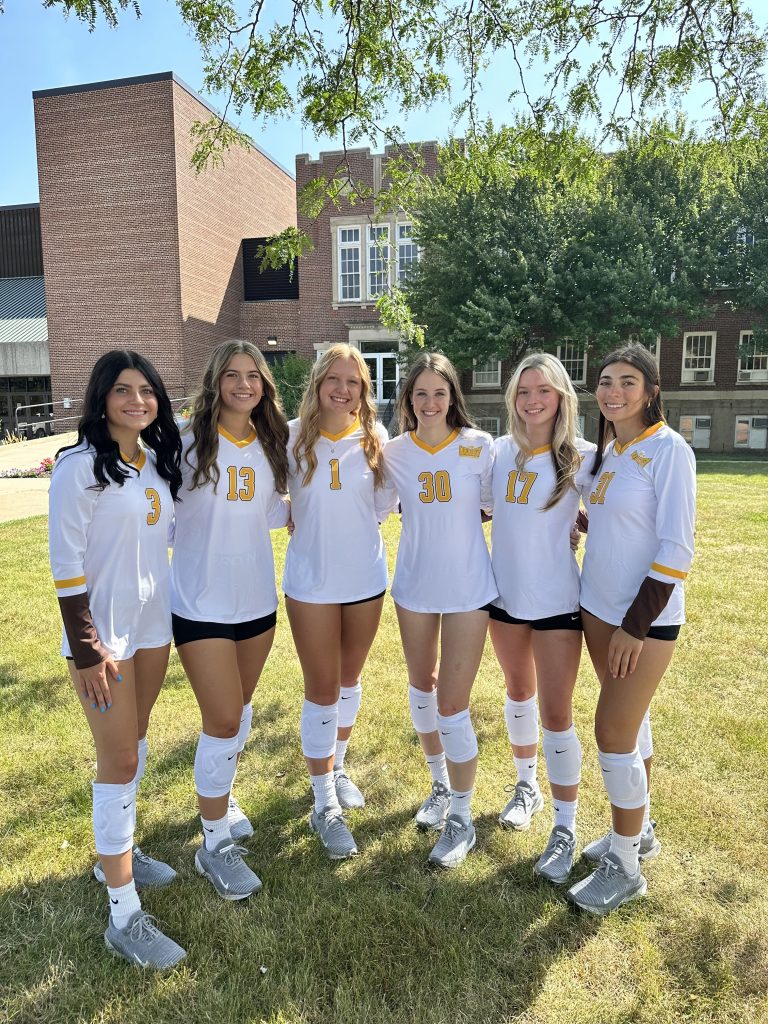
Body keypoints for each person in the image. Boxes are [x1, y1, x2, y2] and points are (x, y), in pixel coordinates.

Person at [48, 350, 185, 969]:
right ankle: (123, 913)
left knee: (138, 738)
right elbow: (65, 562)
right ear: (101, 397)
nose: (137, 400)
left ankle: (122, 850)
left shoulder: (153, 461)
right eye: (123, 391)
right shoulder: (78, 468)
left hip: (153, 627)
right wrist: (85, 645)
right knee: (119, 755)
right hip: (101, 637)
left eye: (147, 391)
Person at [566, 344, 696, 915]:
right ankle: (638, 833)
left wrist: (634, 626)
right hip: (595, 608)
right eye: (605, 382)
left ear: (650, 390)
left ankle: (623, 864)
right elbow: (618, 519)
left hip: (639, 622)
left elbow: (675, 549)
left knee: (613, 732)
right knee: (632, 723)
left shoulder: (670, 451)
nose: (613, 391)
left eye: (626, 381)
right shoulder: (610, 451)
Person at [170, 340, 289, 899]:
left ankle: (224, 793)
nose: (245, 385)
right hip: (200, 604)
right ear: (216, 381)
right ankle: (213, 843)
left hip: (257, 604)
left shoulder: (271, 443)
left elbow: (271, 512)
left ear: (265, 385)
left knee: (236, 715)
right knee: (221, 719)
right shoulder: (184, 443)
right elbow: (158, 513)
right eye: (233, 376)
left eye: (254, 376)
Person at [383, 352, 497, 869]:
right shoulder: (394, 452)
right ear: (408, 399)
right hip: (414, 587)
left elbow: (502, 505)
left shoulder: (479, 446)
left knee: (453, 704)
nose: (430, 403)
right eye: (420, 393)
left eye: (439, 392)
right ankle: (438, 784)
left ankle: (463, 817)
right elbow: (371, 503)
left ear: (454, 397)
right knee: (421, 685)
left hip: (470, 589)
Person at [284, 344, 396, 860]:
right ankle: (323, 801)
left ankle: (338, 763)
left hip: (364, 579)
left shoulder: (376, 440)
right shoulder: (288, 438)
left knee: (350, 680)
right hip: (310, 582)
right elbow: (271, 499)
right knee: (322, 688)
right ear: (317, 383)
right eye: (334, 379)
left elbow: (382, 508)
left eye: (353, 382)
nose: (343, 389)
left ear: (363, 391)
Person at [489, 352, 596, 885]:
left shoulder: (584, 458)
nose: (532, 400)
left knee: (557, 713)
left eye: (544, 391)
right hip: (504, 601)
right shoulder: (497, 453)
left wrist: (580, 524)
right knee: (517, 691)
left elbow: (613, 517)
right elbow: (480, 509)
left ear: (562, 399)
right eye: (523, 391)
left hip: (558, 602)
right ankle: (526, 786)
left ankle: (565, 825)